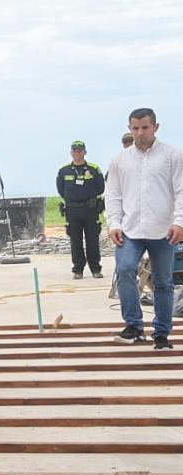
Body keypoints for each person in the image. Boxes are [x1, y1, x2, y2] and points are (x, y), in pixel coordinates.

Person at [106, 108, 183, 350]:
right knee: (125, 269)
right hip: (130, 230)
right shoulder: (120, 160)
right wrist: (114, 224)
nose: (140, 133)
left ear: (155, 127)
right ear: (129, 128)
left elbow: (181, 191)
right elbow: (113, 195)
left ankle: (161, 333)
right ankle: (134, 326)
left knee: (163, 282)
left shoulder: (172, 156)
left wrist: (179, 221)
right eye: (135, 128)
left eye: (145, 127)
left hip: (163, 231)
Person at [57, 141, 106, 279]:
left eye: (80, 151)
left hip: (91, 210)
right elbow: (61, 190)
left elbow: (101, 187)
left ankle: (96, 269)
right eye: (75, 151)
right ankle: (78, 270)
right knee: (75, 241)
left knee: (93, 240)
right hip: (73, 211)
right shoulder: (64, 170)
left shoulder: (94, 168)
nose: (78, 153)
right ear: (71, 153)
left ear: (85, 152)